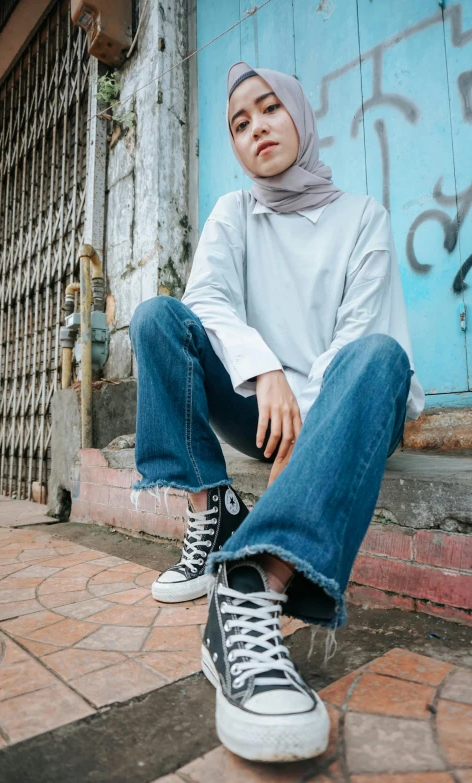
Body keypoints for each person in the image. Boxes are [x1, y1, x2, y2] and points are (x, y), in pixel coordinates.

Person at [129, 61, 424, 764]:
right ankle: (212, 514)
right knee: (156, 318)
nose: (257, 126)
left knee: (383, 356)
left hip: (336, 416)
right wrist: (264, 370)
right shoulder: (236, 212)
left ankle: (250, 583)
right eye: (239, 122)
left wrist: (308, 421)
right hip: (261, 409)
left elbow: (357, 336)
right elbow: (207, 302)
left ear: (299, 114)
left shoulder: (362, 217)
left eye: (269, 109)